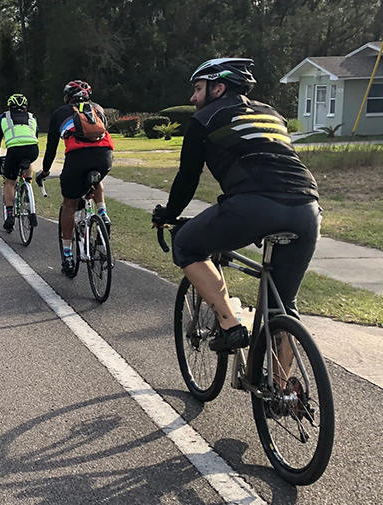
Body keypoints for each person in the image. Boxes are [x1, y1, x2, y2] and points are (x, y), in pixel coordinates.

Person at [151, 58, 320, 352]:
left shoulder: (204, 119)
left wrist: (168, 214)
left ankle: (231, 326)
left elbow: (188, 178)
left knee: (186, 244)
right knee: (283, 307)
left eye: (198, 88)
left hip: (254, 204)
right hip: (307, 207)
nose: (192, 97)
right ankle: (285, 392)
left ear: (218, 88)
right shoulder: (272, 114)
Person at [39, 80, 115, 276]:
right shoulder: (98, 109)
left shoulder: (60, 113)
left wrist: (46, 170)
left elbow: (51, 147)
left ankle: (67, 256)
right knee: (96, 179)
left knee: (69, 205)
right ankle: (102, 212)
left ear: (67, 96)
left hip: (77, 159)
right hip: (104, 156)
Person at [0, 93, 40, 233]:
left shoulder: (4, 117)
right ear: (25, 108)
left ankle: (10, 215)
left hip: (14, 150)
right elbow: (34, 136)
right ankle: (28, 185)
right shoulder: (32, 117)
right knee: (28, 162)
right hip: (32, 149)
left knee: (10, 182)